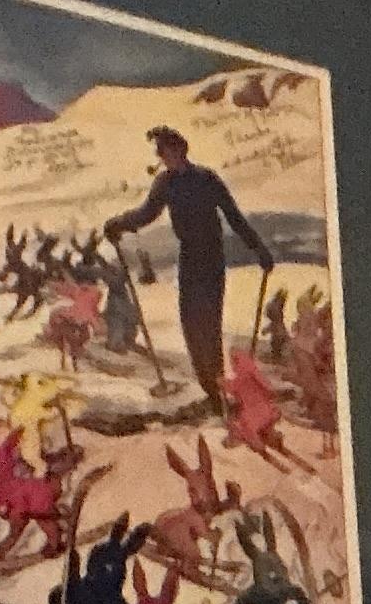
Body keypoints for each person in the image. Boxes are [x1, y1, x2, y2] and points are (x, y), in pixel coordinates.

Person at [104, 128, 273, 410]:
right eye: (159, 152)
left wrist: (259, 250)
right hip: (190, 259)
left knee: (209, 326)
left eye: (165, 151)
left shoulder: (207, 179)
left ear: (180, 150)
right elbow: (147, 213)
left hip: (212, 259)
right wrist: (119, 223)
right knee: (192, 327)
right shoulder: (165, 183)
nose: (162, 157)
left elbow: (234, 216)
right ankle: (212, 391)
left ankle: (218, 390)